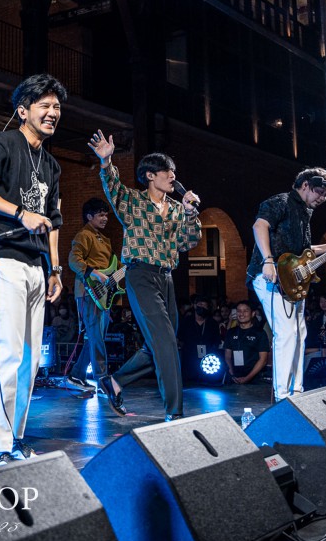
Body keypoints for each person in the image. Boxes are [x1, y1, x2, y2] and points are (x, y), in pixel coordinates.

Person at [0, 74, 66, 469]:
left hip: (37, 266)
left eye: (57, 107)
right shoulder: (2, 143)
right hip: (2, 256)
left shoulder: (51, 164)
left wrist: (55, 269)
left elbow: (53, 220)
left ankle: (15, 439)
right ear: (23, 110)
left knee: (30, 360)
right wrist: (21, 213)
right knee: (5, 353)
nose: (53, 112)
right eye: (45, 105)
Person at [89, 132, 200, 421]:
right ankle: (174, 412)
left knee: (159, 344)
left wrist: (190, 213)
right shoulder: (133, 201)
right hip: (140, 276)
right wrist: (106, 161)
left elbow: (188, 241)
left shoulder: (177, 209)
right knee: (164, 342)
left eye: (173, 171)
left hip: (167, 278)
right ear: (150, 175)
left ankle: (114, 382)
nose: (173, 175)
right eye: (166, 171)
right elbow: (112, 187)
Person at [248, 167, 326, 402]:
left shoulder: (305, 212)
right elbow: (259, 226)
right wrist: (268, 260)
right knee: (286, 333)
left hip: (293, 280)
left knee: (298, 334)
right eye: (320, 193)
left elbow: (304, 250)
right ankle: (283, 395)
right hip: (271, 277)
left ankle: (296, 391)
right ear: (305, 185)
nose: (323, 199)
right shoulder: (281, 202)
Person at [65, 198, 118, 407]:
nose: (105, 218)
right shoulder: (83, 235)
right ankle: (103, 380)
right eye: (101, 215)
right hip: (88, 292)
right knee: (96, 336)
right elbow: (73, 260)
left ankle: (76, 375)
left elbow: (112, 270)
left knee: (96, 337)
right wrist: (94, 273)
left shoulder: (105, 239)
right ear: (89, 216)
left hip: (103, 295)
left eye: (106, 215)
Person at [177, 295, 222, 380]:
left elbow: (216, 341)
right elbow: (180, 339)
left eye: (205, 306)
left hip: (207, 360)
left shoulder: (212, 323)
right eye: (200, 304)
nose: (202, 307)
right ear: (195, 305)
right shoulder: (186, 321)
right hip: (189, 360)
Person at [223, 302, 269, 384]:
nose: (242, 314)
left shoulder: (260, 333)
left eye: (245, 311)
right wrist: (232, 374)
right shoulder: (231, 332)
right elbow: (227, 356)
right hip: (234, 379)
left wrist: (247, 378)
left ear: (253, 314)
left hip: (255, 380)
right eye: (239, 311)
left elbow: (263, 359)